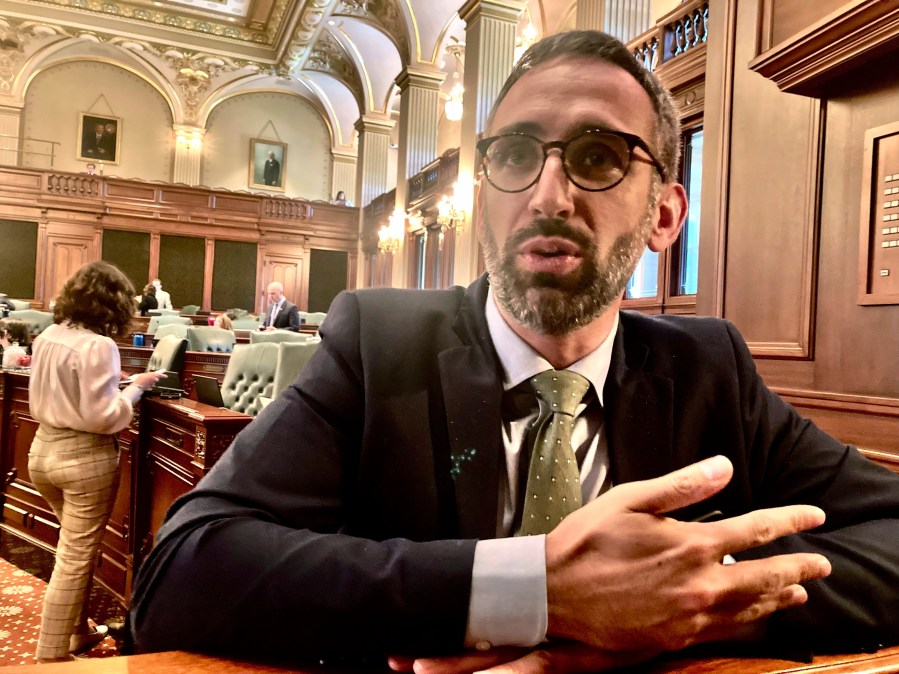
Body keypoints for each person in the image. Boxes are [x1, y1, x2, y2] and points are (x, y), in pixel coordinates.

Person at [129, 31, 899, 671]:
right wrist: (532, 591)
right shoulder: (379, 342)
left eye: (597, 156)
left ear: (665, 215)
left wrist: (693, 609)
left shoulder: (706, 367)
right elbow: (184, 574)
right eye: (514, 155)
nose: (547, 194)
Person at [29, 261, 165, 663]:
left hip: (42, 453)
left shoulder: (48, 335)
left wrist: (113, 387)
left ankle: (77, 632)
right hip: (84, 457)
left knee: (72, 549)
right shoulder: (99, 345)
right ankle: (51, 655)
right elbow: (105, 417)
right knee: (75, 556)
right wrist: (135, 390)